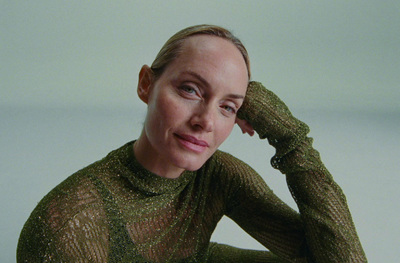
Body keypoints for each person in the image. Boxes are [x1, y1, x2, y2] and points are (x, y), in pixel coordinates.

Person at [17, 24, 367, 262]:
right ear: (146, 84)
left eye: (228, 106)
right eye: (190, 89)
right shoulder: (71, 221)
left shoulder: (219, 176)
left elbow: (335, 256)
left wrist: (290, 136)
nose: (206, 121)